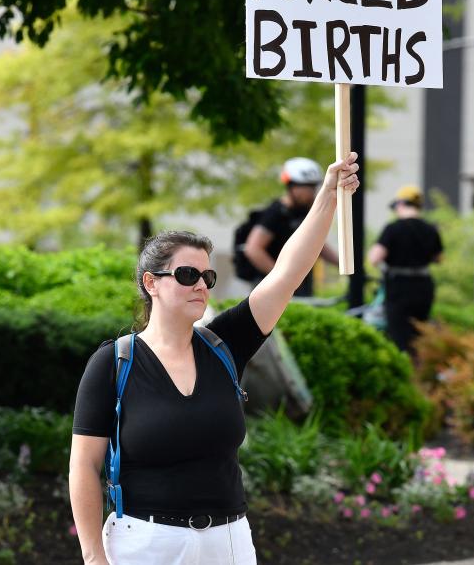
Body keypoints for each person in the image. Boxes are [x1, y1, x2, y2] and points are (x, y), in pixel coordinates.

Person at [69, 153, 360, 565]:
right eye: (187, 275)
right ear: (151, 283)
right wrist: (94, 558)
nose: (200, 285)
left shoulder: (224, 345)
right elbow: (83, 466)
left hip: (229, 542)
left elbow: (286, 273)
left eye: (207, 277)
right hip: (145, 544)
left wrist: (328, 195)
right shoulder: (114, 362)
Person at [243, 157, 339, 297]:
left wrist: (342, 265)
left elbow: (317, 244)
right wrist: (281, 278)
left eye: (314, 187)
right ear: (292, 186)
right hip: (274, 290)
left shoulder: (304, 211)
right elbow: (253, 249)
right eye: (308, 187)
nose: (312, 192)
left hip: (299, 284)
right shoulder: (275, 213)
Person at [368, 185, 443, 361]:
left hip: (398, 287)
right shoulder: (430, 229)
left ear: (400, 204)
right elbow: (438, 258)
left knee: (399, 337)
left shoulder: (393, 228)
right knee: (418, 333)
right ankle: (419, 370)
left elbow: (375, 258)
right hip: (424, 286)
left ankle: (404, 371)